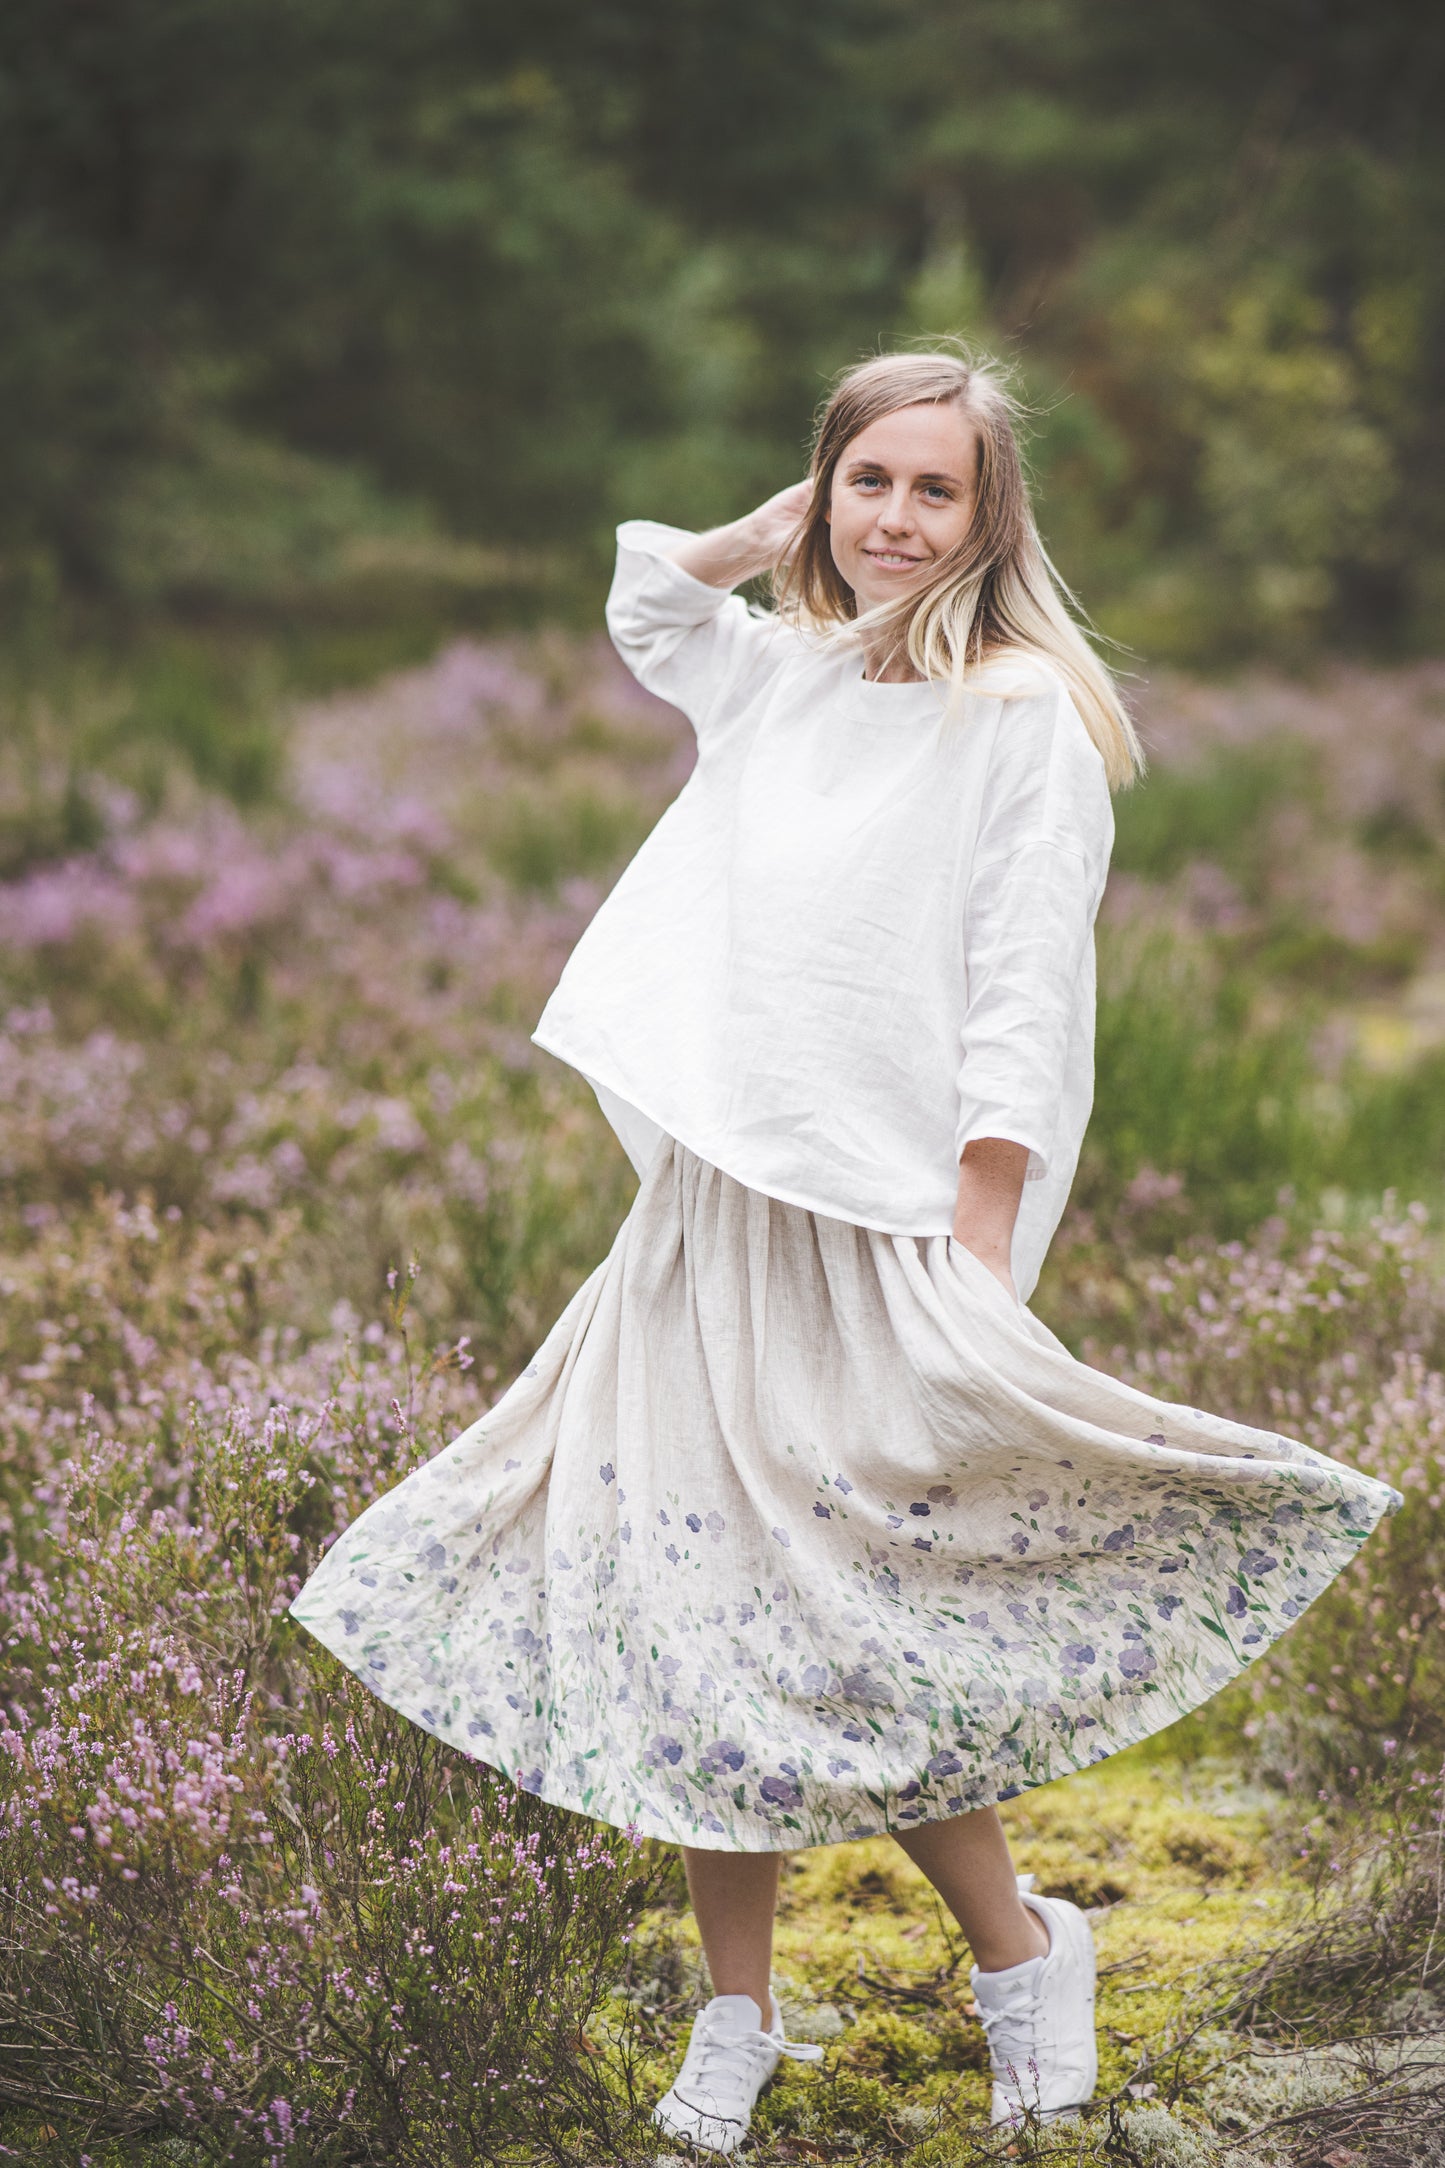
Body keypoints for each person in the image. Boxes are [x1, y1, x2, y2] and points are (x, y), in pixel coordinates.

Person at [289, 347, 1400, 2151]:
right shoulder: (781, 671)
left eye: (932, 490)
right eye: (867, 483)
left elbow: (1024, 986)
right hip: (711, 1216)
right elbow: (654, 606)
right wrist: (770, 532)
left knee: (845, 1618)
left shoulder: (1023, 714)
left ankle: (1023, 1953)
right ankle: (736, 2016)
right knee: (695, 1608)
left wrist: (978, 1235)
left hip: (880, 1219)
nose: (896, 520)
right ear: (826, 493)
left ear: (989, 516)